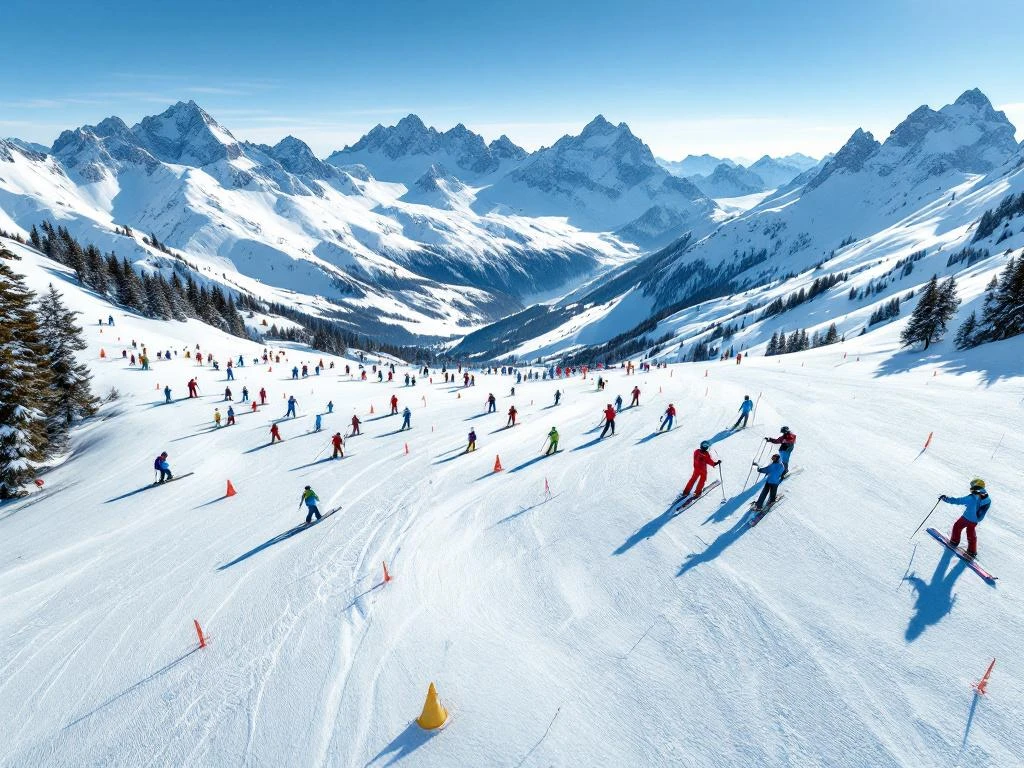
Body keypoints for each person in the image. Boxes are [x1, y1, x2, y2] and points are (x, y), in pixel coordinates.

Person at [939, 478, 992, 559]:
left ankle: (954, 541)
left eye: (972, 486)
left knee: (957, 526)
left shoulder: (972, 497)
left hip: (966, 517)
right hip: (975, 520)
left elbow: (958, 501)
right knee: (971, 533)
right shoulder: (986, 498)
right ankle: (972, 551)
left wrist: (946, 499)